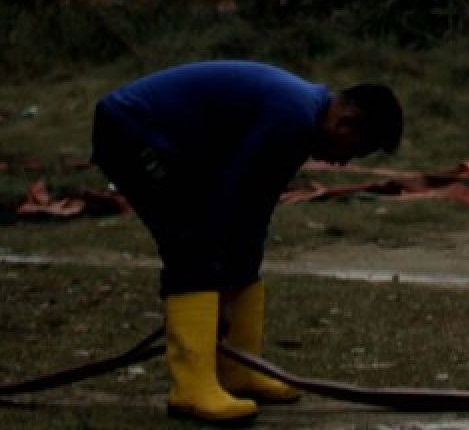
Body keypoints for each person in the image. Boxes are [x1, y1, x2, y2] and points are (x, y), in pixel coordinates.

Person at [91, 60, 403, 424]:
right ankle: (191, 389)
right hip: (131, 131)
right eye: (355, 150)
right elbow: (232, 197)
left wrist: (240, 260)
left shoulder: (302, 119)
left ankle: (238, 370)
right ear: (346, 121)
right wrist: (215, 276)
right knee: (193, 242)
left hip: (175, 144)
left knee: (240, 245)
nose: (343, 162)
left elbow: (255, 208)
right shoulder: (294, 116)